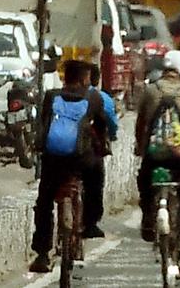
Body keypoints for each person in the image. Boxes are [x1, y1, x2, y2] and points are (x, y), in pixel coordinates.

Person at [29, 60, 110, 273]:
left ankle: (42, 254)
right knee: (96, 177)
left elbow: (44, 123)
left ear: (65, 77)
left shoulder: (51, 96)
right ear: (84, 79)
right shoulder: (93, 97)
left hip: (53, 158)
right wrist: (103, 147)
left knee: (44, 201)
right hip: (81, 159)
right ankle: (91, 223)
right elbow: (102, 126)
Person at [135, 49, 180, 275]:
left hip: (154, 156)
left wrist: (141, 148)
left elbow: (141, 125)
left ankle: (148, 218)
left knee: (144, 183)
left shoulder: (150, 90)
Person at [82, 65, 120, 239]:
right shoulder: (102, 98)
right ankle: (91, 224)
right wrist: (110, 137)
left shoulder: (59, 95)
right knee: (95, 183)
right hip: (90, 152)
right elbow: (111, 122)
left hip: (61, 155)